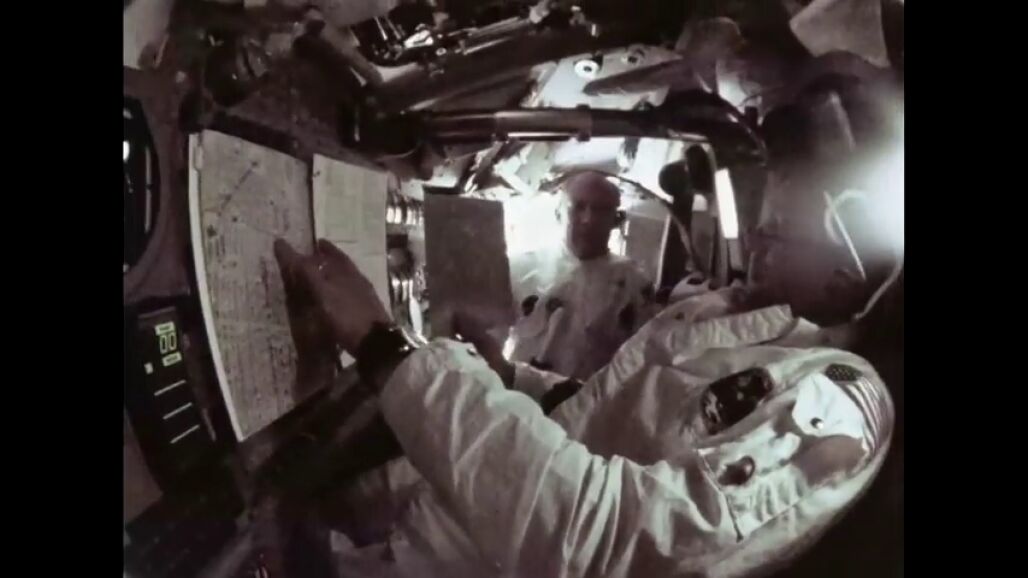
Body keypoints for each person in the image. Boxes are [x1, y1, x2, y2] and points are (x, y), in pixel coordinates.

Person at [268, 68, 901, 577]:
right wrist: (511, 377)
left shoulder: (837, 405)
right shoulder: (735, 317)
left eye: (778, 234)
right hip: (443, 517)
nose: (755, 246)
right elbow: (613, 414)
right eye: (759, 228)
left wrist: (385, 348)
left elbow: (606, 540)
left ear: (847, 275)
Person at [507, 170, 657, 380]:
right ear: (559, 213)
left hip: (592, 395)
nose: (588, 219)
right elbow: (487, 339)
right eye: (578, 207)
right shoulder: (518, 269)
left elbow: (643, 357)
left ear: (616, 220)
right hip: (521, 393)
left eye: (601, 210)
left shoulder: (634, 284)